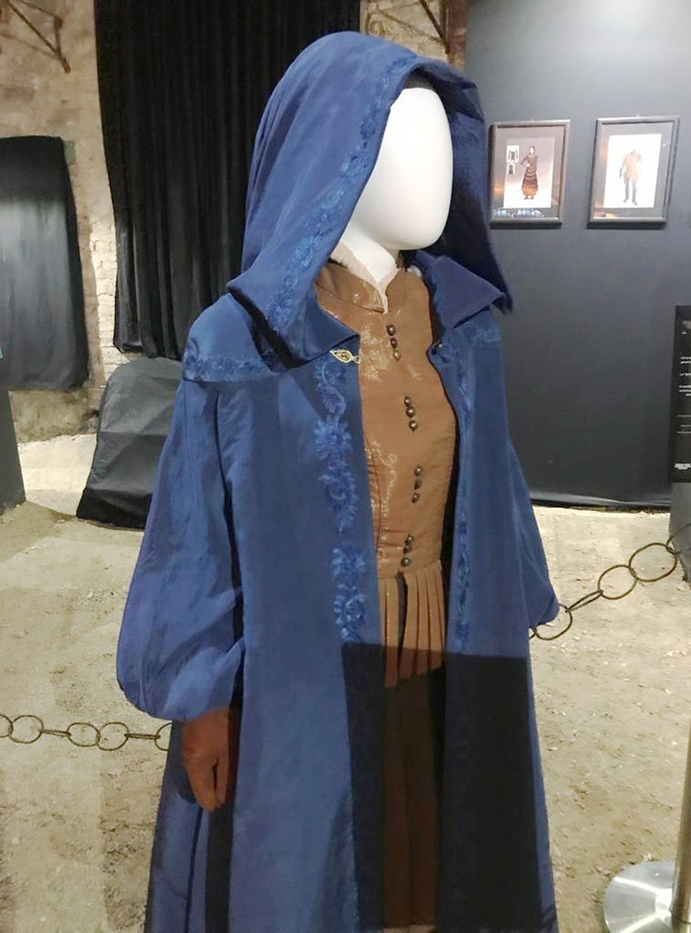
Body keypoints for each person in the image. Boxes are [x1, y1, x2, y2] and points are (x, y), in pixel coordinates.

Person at [117, 31, 559, 933]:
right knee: (311, 865)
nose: (435, 171)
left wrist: (511, 591)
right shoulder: (241, 343)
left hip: (446, 640)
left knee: (439, 850)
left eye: (441, 143)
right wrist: (202, 698)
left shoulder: (464, 324)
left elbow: (492, 485)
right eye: (401, 143)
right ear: (332, 158)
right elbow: (194, 536)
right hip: (303, 675)